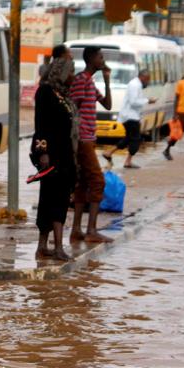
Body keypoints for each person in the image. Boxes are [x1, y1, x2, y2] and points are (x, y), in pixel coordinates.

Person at [33, 56, 78, 261]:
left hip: (66, 155)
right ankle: (57, 247)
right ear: (60, 72)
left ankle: (44, 247)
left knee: (58, 198)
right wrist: (43, 153)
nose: (73, 76)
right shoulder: (45, 93)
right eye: (70, 71)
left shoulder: (64, 95)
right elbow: (40, 124)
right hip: (51, 157)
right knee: (52, 199)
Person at [69, 46, 113, 244]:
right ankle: (91, 230)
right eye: (100, 57)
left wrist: (107, 80)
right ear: (92, 58)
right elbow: (72, 108)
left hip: (88, 138)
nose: (103, 60)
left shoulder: (89, 82)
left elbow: (108, 104)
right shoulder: (80, 80)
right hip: (83, 139)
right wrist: (75, 140)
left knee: (83, 183)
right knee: (97, 181)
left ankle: (77, 230)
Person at [102, 69, 156, 168]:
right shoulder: (135, 85)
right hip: (130, 117)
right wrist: (148, 100)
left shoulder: (137, 84)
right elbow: (133, 101)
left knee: (129, 138)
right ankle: (126, 161)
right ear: (143, 77)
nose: (148, 82)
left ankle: (110, 152)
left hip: (131, 116)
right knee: (136, 139)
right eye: (147, 79)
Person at [163, 67, 184, 161]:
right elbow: (176, 99)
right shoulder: (181, 83)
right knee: (176, 135)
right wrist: (175, 113)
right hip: (181, 113)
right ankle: (167, 150)